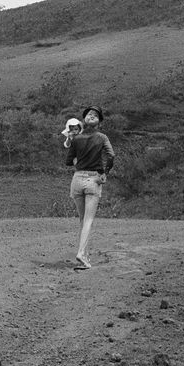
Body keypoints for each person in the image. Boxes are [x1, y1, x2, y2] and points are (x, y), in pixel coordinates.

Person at [65, 106, 114, 269]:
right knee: (88, 220)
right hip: (93, 180)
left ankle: (84, 255)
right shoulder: (102, 137)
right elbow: (111, 156)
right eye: (90, 114)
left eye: (94, 114)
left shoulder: (76, 138)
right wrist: (105, 172)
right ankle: (81, 254)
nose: (92, 115)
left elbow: (68, 161)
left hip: (77, 180)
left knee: (82, 219)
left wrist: (73, 146)